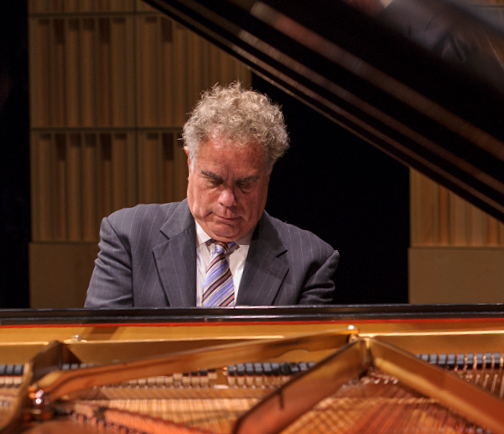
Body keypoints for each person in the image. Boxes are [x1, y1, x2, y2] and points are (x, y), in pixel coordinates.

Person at [84, 82, 339, 308]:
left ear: (268, 172)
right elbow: (103, 343)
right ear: (190, 162)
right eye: (214, 180)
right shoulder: (128, 236)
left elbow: (306, 349)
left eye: (245, 184)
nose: (227, 200)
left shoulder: (310, 260)